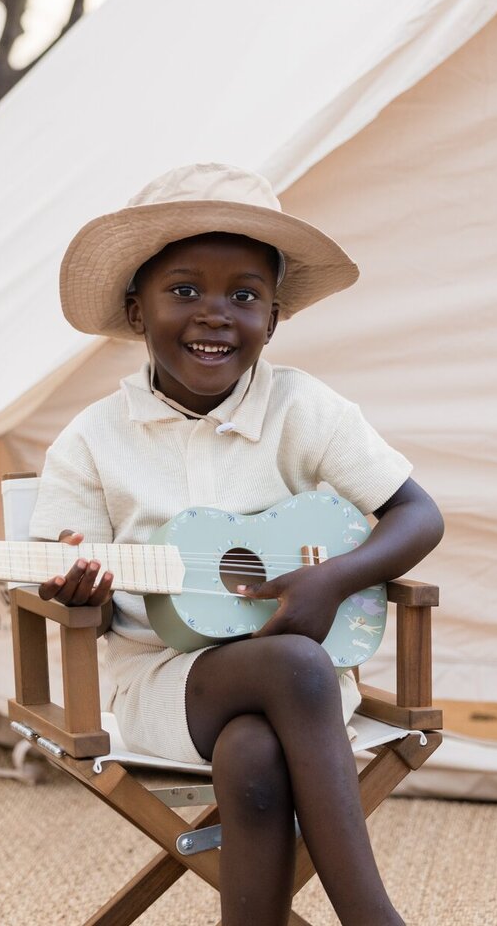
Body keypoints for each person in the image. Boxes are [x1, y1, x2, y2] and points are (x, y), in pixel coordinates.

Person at [30, 162, 444, 926]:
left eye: (244, 295)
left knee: (254, 755)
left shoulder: (305, 408)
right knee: (293, 662)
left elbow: (419, 515)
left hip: (306, 698)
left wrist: (332, 579)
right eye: (184, 290)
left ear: (275, 319)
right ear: (135, 310)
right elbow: (61, 550)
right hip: (161, 687)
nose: (215, 314)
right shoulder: (92, 439)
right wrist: (73, 581)